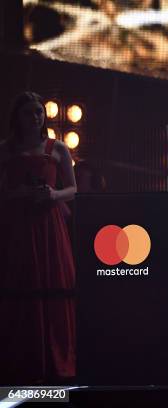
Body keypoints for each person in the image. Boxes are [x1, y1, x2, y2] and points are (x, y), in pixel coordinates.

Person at [0, 91, 77, 385]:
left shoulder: (57, 148)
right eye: (29, 112)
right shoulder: (6, 150)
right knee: (20, 283)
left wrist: (54, 195)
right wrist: (16, 194)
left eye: (39, 112)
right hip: (18, 227)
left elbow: (73, 189)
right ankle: (22, 358)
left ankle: (56, 358)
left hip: (49, 225)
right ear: (16, 118)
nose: (35, 117)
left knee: (54, 282)